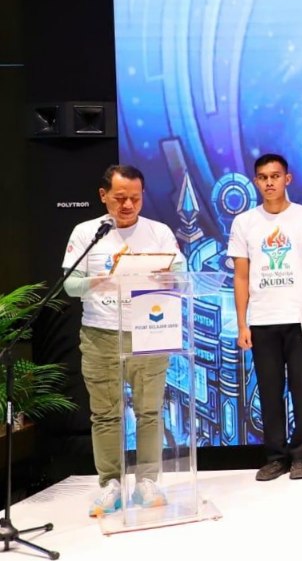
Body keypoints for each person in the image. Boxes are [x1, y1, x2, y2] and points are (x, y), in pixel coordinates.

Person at [65, 165, 186, 517]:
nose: (128, 205)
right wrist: (99, 280)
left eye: (135, 198)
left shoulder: (159, 232)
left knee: (149, 412)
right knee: (105, 414)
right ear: (104, 196)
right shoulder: (87, 232)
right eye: (120, 198)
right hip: (100, 334)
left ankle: (147, 481)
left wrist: (168, 278)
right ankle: (111, 484)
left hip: (149, 331)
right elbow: (70, 285)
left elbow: (182, 276)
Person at [230, 154, 302, 481]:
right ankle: (275, 457)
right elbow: (241, 276)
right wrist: (242, 323)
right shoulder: (244, 222)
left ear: (287, 179)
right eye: (263, 177)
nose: (269, 182)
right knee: (270, 392)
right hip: (262, 319)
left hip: (301, 317)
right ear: (256, 182)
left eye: (275, 176)